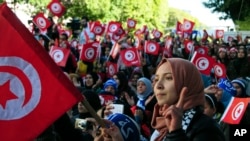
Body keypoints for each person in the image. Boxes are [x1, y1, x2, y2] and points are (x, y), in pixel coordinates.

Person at [95, 58, 225, 141]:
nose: (158, 85)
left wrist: (175, 133)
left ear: (187, 83)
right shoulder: (160, 122)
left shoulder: (206, 128)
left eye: (168, 78)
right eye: (156, 79)